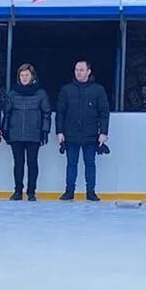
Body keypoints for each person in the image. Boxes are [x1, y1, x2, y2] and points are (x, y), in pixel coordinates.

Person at [56, 60, 110, 200]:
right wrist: (59, 131)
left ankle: (91, 191)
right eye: (76, 70)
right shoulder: (66, 90)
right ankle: (69, 191)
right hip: (71, 133)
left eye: (81, 70)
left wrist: (103, 132)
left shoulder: (98, 90)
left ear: (88, 71)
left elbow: (104, 112)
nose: (78, 72)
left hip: (91, 134)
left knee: (90, 163)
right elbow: (60, 112)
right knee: (71, 164)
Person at [2, 63, 52, 201]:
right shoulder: (12, 93)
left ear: (32, 76)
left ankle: (31, 191)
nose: (24, 78)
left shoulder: (40, 93)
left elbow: (46, 113)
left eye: (26, 75)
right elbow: (7, 113)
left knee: (32, 162)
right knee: (18, 163)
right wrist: (5, 129)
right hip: (16, 133)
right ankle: (18, 190)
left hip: (33, 133)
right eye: (21, 75)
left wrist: (45, 131)